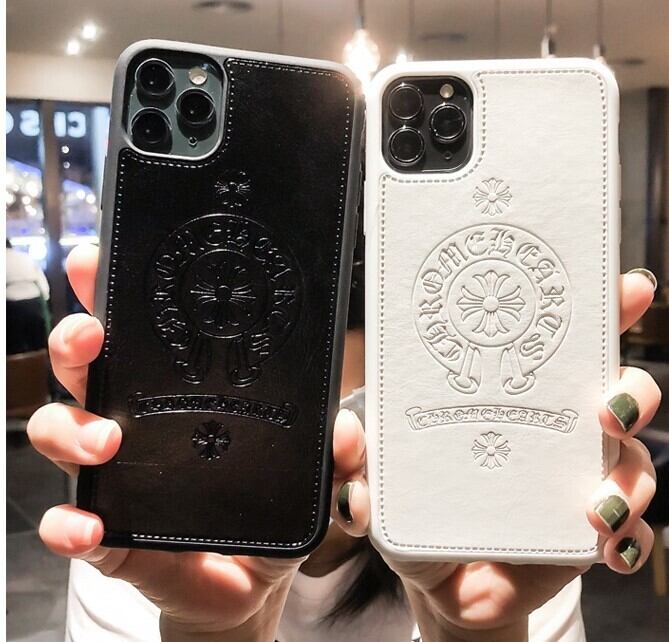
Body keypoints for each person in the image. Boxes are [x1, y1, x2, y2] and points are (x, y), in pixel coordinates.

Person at [28, 243, 660, 642]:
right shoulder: (147, 559)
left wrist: (474, 632)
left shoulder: (507, 552)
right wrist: (211, 632)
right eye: (300, 418)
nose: (337, 450)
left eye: (361, 410)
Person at [6, 238, 50, 355]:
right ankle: (41, 364)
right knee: (37, 343)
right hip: (34, 302)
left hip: (11, 305)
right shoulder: (25, 257)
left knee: (14, 346)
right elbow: (42, 283)